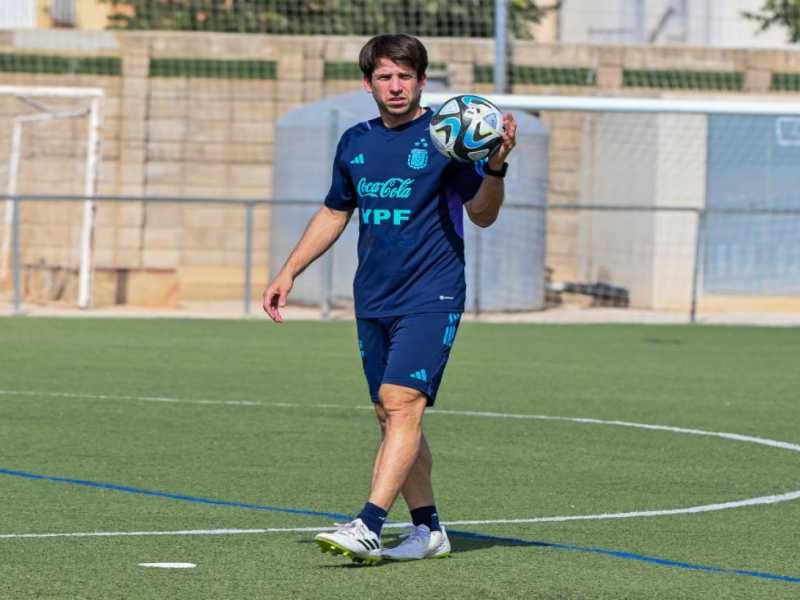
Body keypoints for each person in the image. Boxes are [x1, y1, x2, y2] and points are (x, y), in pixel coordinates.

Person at [263, 33, 516, 564]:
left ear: (423, 81)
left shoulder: (449, 138)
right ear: (368, 83)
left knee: (402, 404)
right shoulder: (355, 141)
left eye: (405, 76)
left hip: (432, 293)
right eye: (385, 76)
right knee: (389, 412)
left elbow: (483, 214)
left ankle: (369, 524)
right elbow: (335, 212)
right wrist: (289, 271)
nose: (395, 86)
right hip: (372, 297)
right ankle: (429, 530)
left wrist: (495, 166)